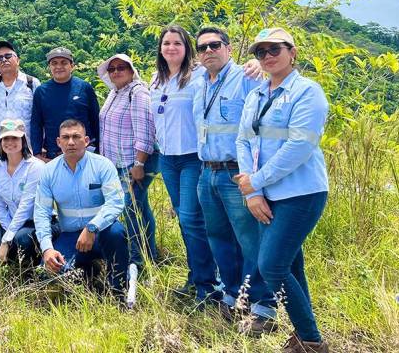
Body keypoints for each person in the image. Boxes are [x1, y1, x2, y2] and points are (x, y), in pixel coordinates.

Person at [235, 28, 329, 353]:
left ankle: (312, 340)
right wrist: (252, 192)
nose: (267, 56)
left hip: (301, 194)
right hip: (267, 195)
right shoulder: (256, 95)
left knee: (272, 266)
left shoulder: (307, 92)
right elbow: (243, 140)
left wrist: (256, 181)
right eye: (261, 52)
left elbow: (299, 147)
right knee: (290, 266)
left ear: (292, 51)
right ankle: (307, 334)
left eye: (274, 49)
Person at [193, 27, 276, 332]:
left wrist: (254, 178)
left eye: (215, 45)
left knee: (250, 238)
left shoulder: (246, 76)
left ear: (228, 48)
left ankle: (263, 305)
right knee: (218, 237)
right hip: (207, 171)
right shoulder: (199, 81)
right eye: (202, 47)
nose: (208, 51)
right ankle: (232, 294)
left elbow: (272, 92)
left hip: (236, 173)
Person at [150, 25, 220, 303]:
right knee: (184, 219)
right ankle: (195, 278)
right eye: (166, 43)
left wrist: (253, 65)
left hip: (193, 158)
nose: (171, 48)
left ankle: (208, 286)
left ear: (186, 47)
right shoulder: (157, 79)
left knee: (192, 219)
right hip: (167, 159)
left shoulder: (200, 76)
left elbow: (228, 73)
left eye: (177, 43)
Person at [34, 119, 128, 300]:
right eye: (66, 137)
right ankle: (89, 271)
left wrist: (92, 227)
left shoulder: (102, 165)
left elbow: (116, 202)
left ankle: (118, 291)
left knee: (117, 233)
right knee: (48, 275)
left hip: (101, 234)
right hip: (70, 237)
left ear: (86, 141)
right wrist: (47, 249)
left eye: (76, 137)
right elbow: (41, 212)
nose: (71, 142)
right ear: (58, 142)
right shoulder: (49, 171)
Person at [97, 53, 158, 278]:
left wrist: (139, 163)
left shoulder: (138, 92)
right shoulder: (115, 92)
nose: (116, 72)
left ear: (132, 70)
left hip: (134, 162)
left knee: (131, 208)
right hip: (118, 162)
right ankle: (148, 254)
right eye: (111, 69)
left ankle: (137, 260)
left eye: (121, 67)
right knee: (139, 207)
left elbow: (145, 129)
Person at [0, 118, 46, 266]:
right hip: (10, 221)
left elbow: (26, 207)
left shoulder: (36, 167)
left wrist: (7, 240)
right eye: (6, 138)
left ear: (23, 140)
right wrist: (8, 230)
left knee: (21, 241)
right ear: (0, 141)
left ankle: (32, 267)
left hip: (34, 222)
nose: (10, 142)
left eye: (15, 138)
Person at [30, 47, 100, 162]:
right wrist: (37, 153)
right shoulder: (41, 91)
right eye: (54, 63)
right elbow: (36, 124)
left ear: (72, 66)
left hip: (84, 152)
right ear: (49, 67)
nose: (59, 67)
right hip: (53, 154)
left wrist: (98, 147)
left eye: (64, 63)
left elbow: (95, 120)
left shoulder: (84, 87)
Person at [0, 40, 40, 165]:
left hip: (28, 149)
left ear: (17, 60)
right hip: (0, 149)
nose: (4, 60)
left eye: (8, 56)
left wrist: (42, 146)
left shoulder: (31, 83)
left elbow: (42, 117)